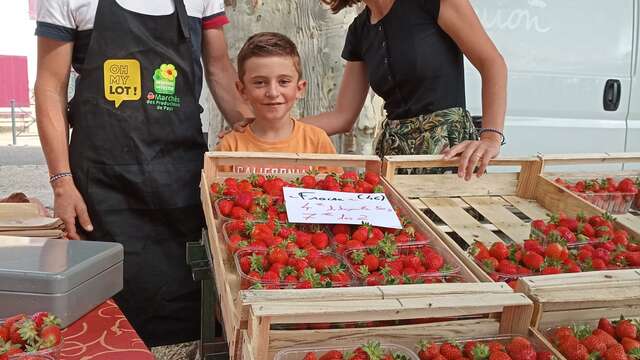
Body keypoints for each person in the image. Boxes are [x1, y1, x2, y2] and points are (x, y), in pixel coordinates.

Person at [34, 0, 248, 348]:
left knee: (188, 315)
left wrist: (260, 133)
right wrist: (61, 182)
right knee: (103, 312)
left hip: (179, 180)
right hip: (102, 185)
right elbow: (49, 87)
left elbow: (220, 70)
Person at [301, 0, 508, 179]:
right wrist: (277, 128)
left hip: (448, 154)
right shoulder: (359, 30)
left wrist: (490, 137)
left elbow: (492, 63)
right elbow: (342, 116)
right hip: (394, 159)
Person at [216, 32, 337, 174]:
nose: (273, 93)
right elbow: (214, 193)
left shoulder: (317, 141)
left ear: (299, 88)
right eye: (260, 82)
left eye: (284, 82)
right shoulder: (230, 146)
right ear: (242, 90)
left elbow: (336, 192)